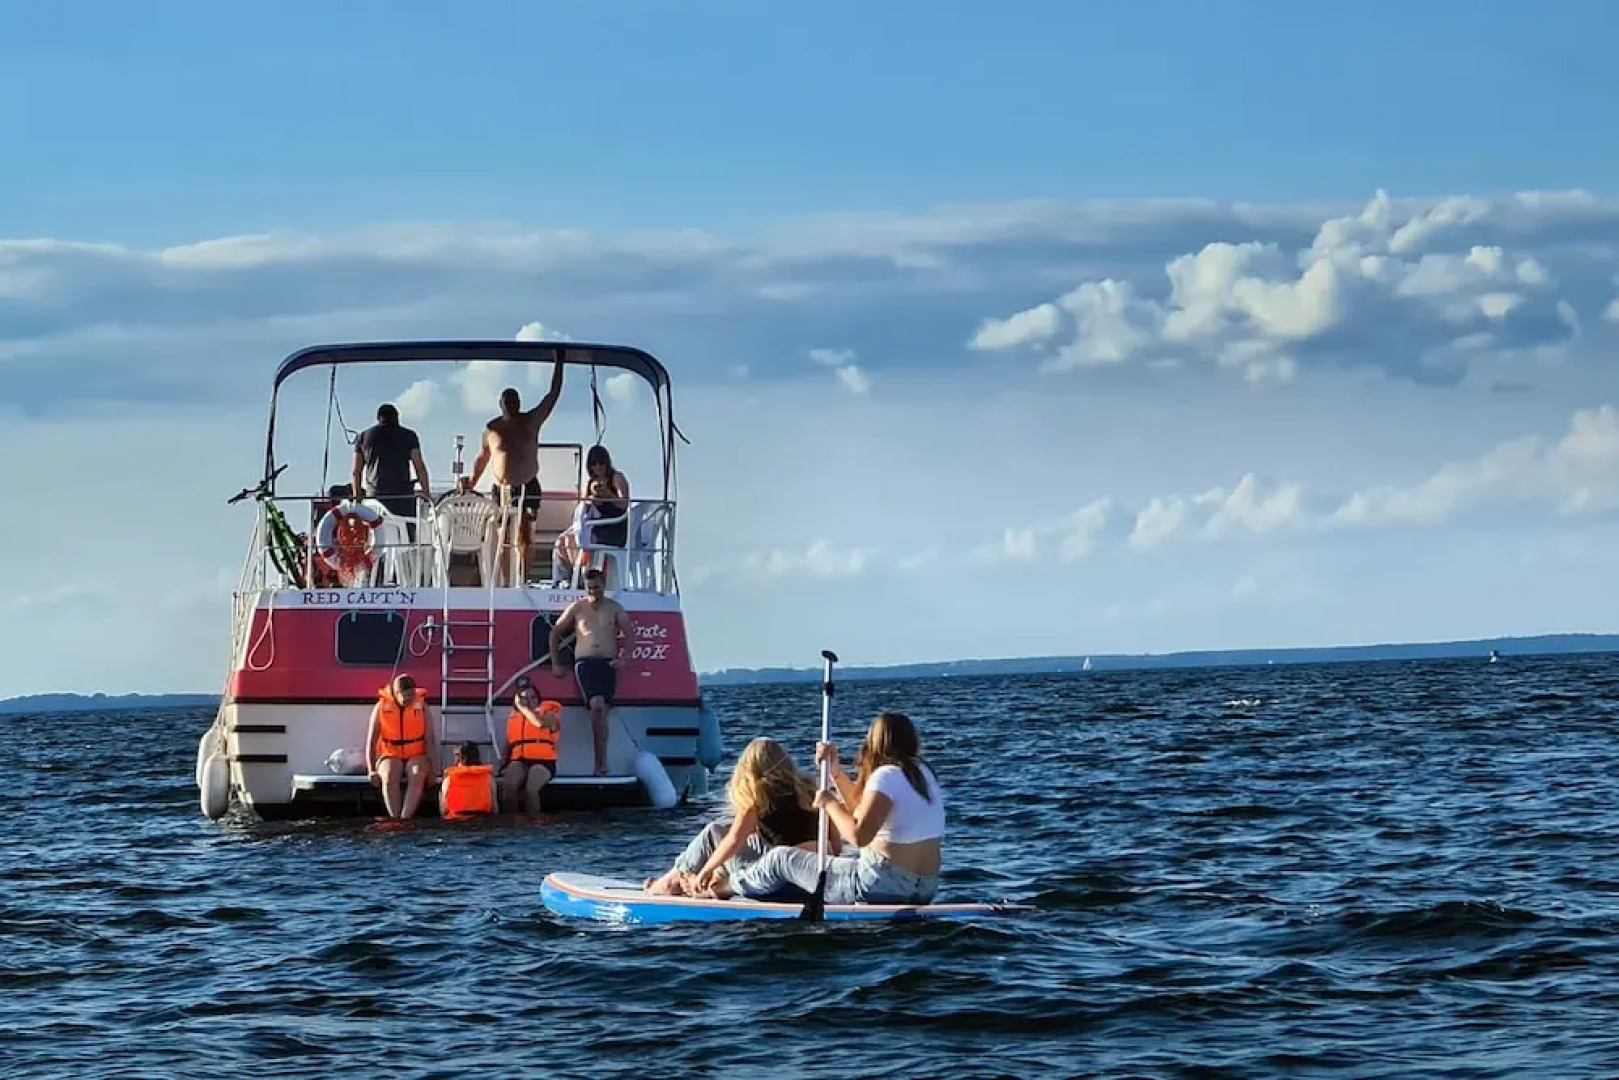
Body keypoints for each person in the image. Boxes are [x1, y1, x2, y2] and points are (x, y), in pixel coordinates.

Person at [699, 712, 943, 906]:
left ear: (875, 743)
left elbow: (859, 836)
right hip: (926, 887)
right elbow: (862, 812)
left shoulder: (885, 776)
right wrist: (835, 773)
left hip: (879, 885)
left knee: (779, 858)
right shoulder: (922, 774)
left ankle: (724, 887)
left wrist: (830, 803)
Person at [644, 737, 839, 896]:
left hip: (775, 871)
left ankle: (673, 882)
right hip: (811, 868)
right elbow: (835, 845)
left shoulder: (759, 794)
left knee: (715, 832)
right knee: (739, 836)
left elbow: (735, 839)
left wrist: (707, 870)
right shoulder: (811, 789)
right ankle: (694, 880)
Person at [464, 361, 566, 584]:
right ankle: (507, 582)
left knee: (526, 535)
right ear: (500, 404)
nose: (511, 404)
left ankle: (524, 579)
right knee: (503, 536)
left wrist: (560, 362)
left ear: (519, 403)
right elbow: (482, 459)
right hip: (501, 489)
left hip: (527, 484)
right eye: (507, 400)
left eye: (514, 400)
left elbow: (553, 394)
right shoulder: (491, 429)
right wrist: (470, 483)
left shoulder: (531, 420)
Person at [549, 567, 632, 776]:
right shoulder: (577, 608)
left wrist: (624, 659)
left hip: (607, 663)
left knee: (602, 711)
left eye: (596, 587)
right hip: (585, 663)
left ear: (604, 585)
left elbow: (630, 634)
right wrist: (556, 662)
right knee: (596, 706)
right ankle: (599, 764)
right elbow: (555, 632)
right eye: (589, 588)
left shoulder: (615, 608)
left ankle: (602, 762)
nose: (593, 592)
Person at [365, 673, 439, 819]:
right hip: (390, 754)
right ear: (396, 694)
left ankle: (405, 818)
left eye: (412, 695)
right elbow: (371, 741)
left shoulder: (423, 707)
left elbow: (429, 739)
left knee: (417, 774)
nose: (409, 699)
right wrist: (371, 769)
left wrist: (433, 770)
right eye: (406, 696)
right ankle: (395, 818)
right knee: (389, 775)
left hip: (416, 754)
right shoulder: (381, 707)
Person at [553, 444, 631, 583]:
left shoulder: (616, 477)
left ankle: (581, 578)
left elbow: (624, 504)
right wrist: (590, 500)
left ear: (607, 463)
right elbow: (583, 508)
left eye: (601, 463)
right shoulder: (590, 483)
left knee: (572, 541)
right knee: (561, 542)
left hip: (612, 527)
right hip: (593, 526)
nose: (598, 467)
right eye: (593, 464)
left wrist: (607, 494)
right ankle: (571, 577)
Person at [351, 403, 431, 532]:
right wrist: (426, 492)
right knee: (407, 534)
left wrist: (358, 500)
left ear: (378, 418)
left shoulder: (363, 437)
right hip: (402, 499)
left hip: (374, 499)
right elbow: (419, 467)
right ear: (397, 418)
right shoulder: (409, 436)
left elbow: (356, 472)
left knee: (375, 534)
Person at [499, 681, 561, 814]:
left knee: (531, 790)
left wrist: (523, 708)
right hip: (520, 760)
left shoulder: (549, 715)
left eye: (533, 697)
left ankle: (533, 826)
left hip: (543, 762)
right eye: (525, 698)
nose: (529, 701)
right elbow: (508, 743)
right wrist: (504, 763)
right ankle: (511, 824)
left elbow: (538, 724)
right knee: (508, 788)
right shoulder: (513, 719)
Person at [438, 741, 497, 819]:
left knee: (441, 794)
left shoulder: (448, 779)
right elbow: (494, 809)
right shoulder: (488, 778)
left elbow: (444, 810)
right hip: (482, 821)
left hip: (456, 821)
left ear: (458, 758)